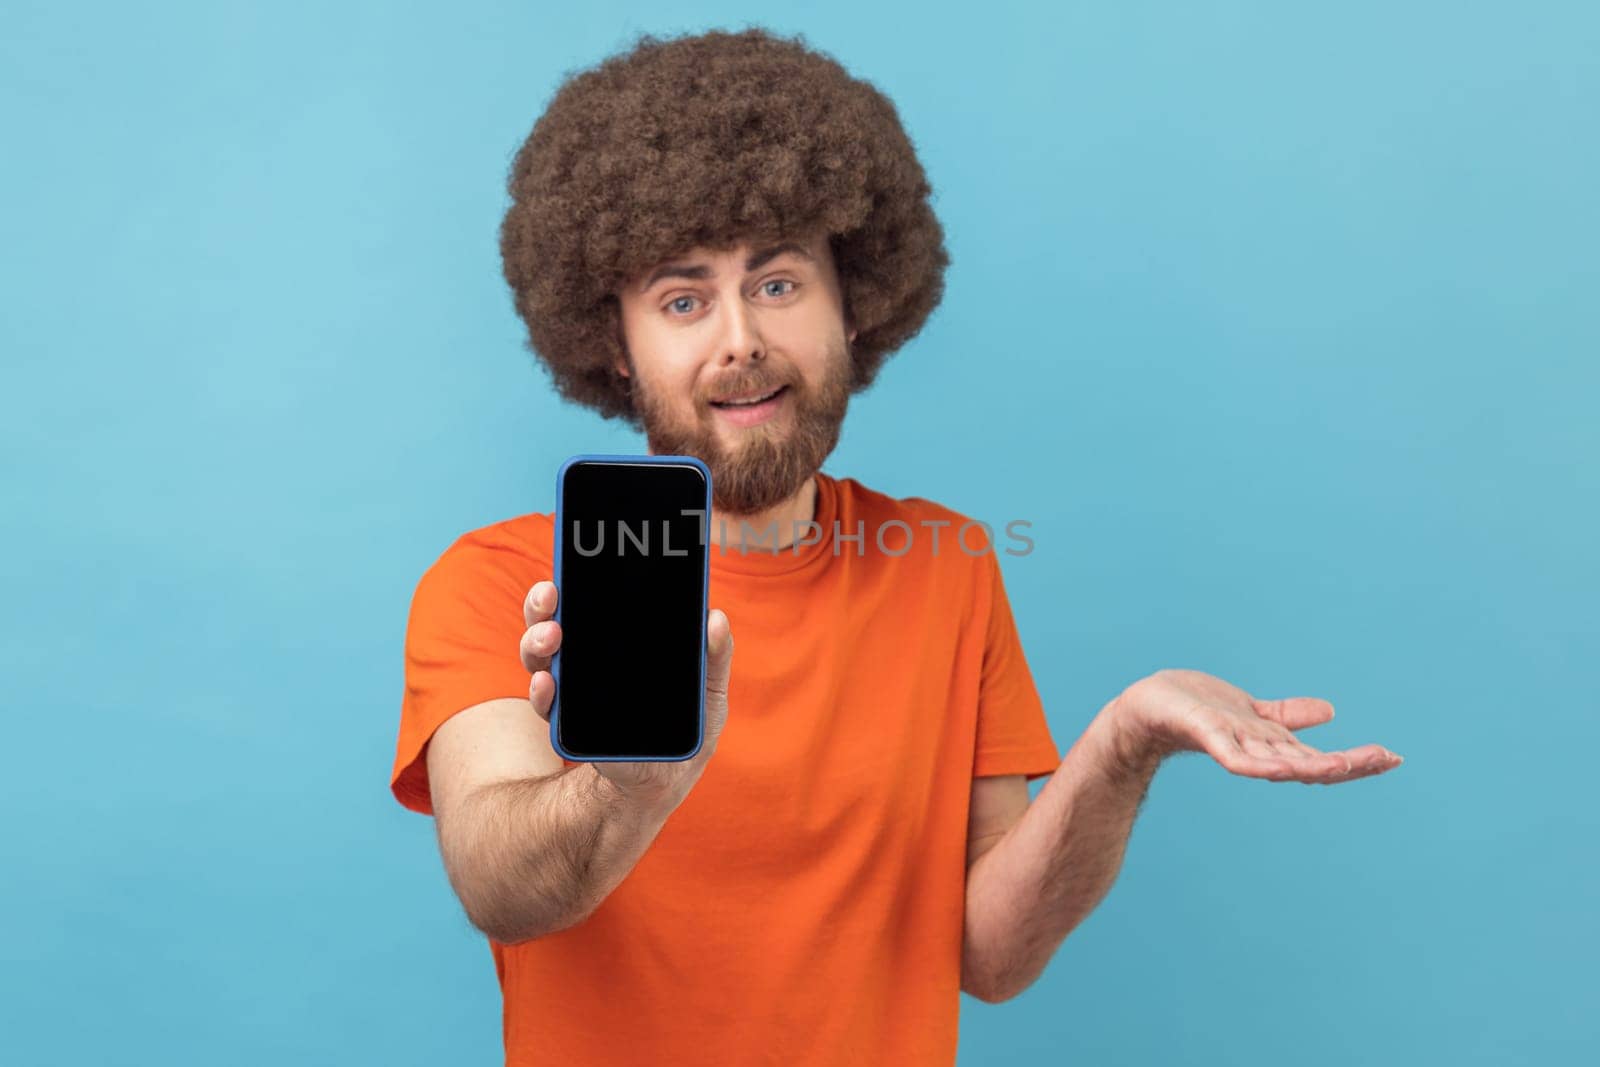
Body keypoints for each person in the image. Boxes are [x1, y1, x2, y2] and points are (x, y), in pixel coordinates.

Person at [389, 26, 1403, 1066]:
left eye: (778, 284)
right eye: (682, 300)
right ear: (615, 343)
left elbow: (990, 954)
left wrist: (1120, 748)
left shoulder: (945, 565)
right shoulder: (504, 584)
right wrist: (628, 785)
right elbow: (500, 883)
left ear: (853, 305)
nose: (738, 338)